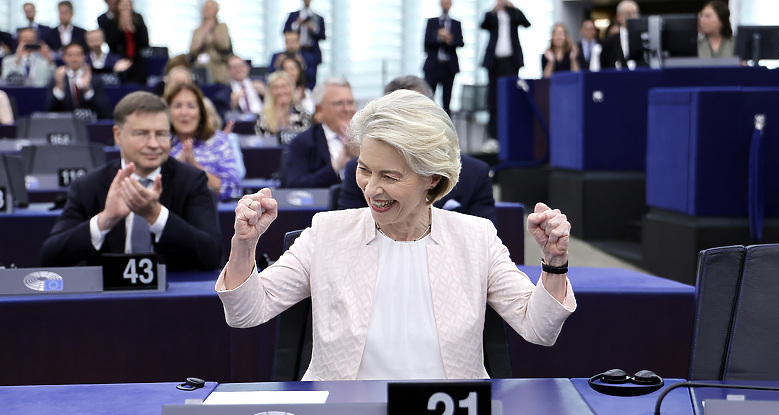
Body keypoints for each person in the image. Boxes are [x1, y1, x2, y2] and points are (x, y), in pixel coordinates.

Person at [216, 89, 575, 381]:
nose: (371, 189)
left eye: (389, 176)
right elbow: (246, 312)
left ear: (432, 178)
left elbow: (539, 328)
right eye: (364, 169)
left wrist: (554, 264)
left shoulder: (476, 237)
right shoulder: (327, 233)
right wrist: (244, 246)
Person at [40, 91, 223, 271]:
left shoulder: (191, 181)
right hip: (109, 300)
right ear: (117, 135)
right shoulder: (88, 186)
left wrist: (156, 216)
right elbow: (49, 258)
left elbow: (213, 255)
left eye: (161, 134)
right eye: (142, 134)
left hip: (172, 297)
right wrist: (105, 220)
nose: (153, 144)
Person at [339, 75, 496, 225]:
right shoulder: (356, 173)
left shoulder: (474, 174)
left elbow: (479, 245)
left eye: (390, 177)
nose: (371, 190)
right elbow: (347, 232)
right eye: (392, 120)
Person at [166, 82, 242, 201]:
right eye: (177, 106)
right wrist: (178, 168)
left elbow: (233, 189)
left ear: (200, 113)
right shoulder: (160, 142)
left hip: (214, 214)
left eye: (191, 106)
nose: (184, 112)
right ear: (168, 112)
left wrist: (195, 167)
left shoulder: (218, 140)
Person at [282, 77, 357, 188]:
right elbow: (295, 186)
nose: (347, 109)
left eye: (350, 103)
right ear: (319, 110)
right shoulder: (302, 143)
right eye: (339, 103)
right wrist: (336, 166)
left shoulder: (367, 140)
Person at [480, 0, 531, 148]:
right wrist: (493, 10)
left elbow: (527, 24)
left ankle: (510, 134)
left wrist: (514, 8)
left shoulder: (513, 13)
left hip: (511, 62)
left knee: (511, 99)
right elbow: (483, 25)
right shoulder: (492, 14)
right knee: (493, 100)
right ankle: (493, 137)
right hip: (494, 63)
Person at [45, 41, 112, 118]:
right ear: (64, 58)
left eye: (78, 55)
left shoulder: (95, 80)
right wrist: (60, 87)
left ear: (84, 57)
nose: (74, 59)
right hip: (65, 126)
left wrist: (87, 89)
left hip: (89, 125)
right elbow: (49, 110)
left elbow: (104, 111)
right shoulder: (56, 80)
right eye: (70, 55)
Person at [422, 0, 464, 116]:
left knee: (447, 100)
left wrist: (448, 40)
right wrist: (439, 37)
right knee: (428, 98)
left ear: (451, 4)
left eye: (448, 3)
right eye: (443, 2)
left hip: (449, 67)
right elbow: (426, 42)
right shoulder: (432, 22)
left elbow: (460, 42)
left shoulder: (456, 24)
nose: (445, 5)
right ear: (440, 4)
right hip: (433, 66)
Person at [254, 70, 312, 138]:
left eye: (284, 87)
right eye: (276, 88)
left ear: (291, 88)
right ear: (270, 92)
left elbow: (306, 140)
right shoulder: (262, 115)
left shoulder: (303, 114)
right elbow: (263, 140)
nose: (280, 91)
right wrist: (279, 114)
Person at [105, 0, 149, 85]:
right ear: (117, 6)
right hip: (119, 59)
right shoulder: (112, 22)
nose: (126, 8)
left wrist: (132, 29)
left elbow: (145, 42)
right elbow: (111, 44)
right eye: (123, 5)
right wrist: (121, 28)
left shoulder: (138, 19)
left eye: (127, 5)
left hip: (137, 60)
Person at [283, 0, 325, 89]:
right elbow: (285, 31)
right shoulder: (294, 16)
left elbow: (323, 36)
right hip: (295, 51)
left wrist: (314, 29)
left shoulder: (317, 17)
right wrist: (297, 24)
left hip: (311, 51)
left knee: (311, 77)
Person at [189, 0, 233, 85]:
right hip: (201, 69)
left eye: (209, 8)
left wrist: (213, 29)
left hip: (219, 68)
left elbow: (224, 46)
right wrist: (204, 33)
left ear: (216, 11)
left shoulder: (222, 27)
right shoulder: (197, 30)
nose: (206, 10)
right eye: (205, 8)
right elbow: (192, 51)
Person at [599, 1, 642, 70]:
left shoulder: (644, 38)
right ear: (619, 17)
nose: (633, 17)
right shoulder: (609, 42)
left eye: (635, 13)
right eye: (628, 14)